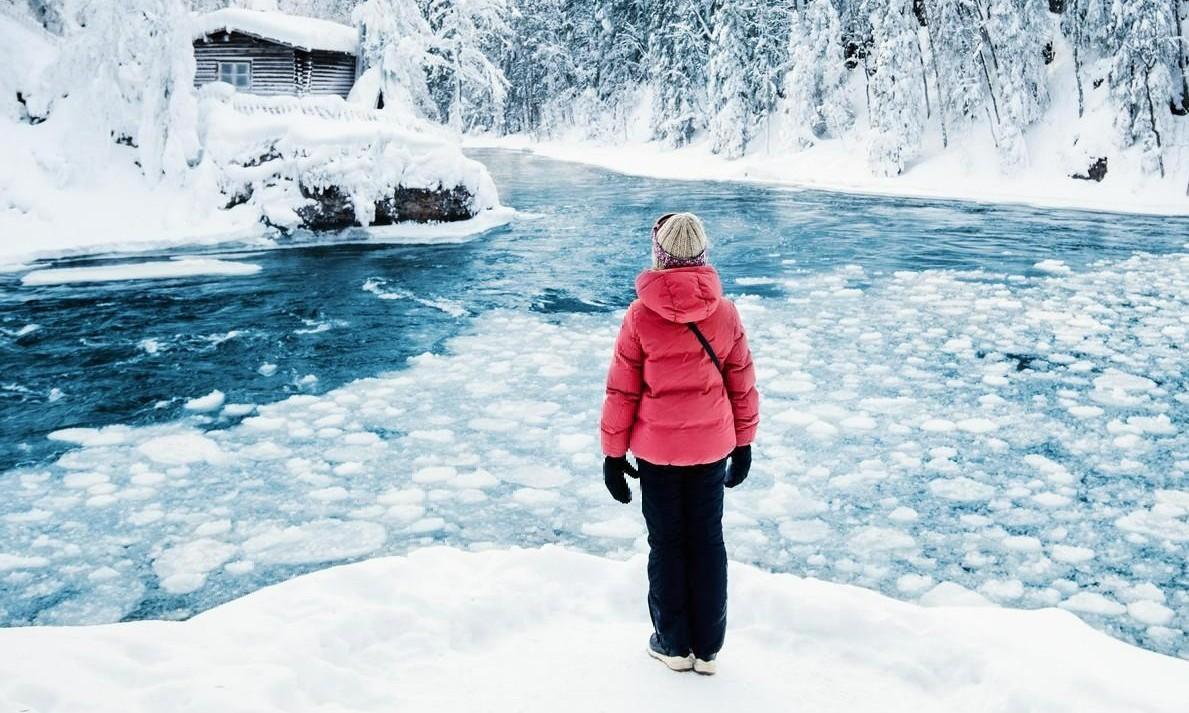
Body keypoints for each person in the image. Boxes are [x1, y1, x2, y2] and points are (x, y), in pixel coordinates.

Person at [599, 212, 759, 676]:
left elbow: (621, 390)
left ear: (660, 258)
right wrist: (744, 442)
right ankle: (707, 649)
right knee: (707, 541)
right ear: (702, 255)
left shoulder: (639, 315)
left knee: (667, 544)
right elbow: (742, 384)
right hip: (711, 448)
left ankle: (672, 644)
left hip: (657, 454)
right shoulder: (725, 313)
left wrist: (613, 455)